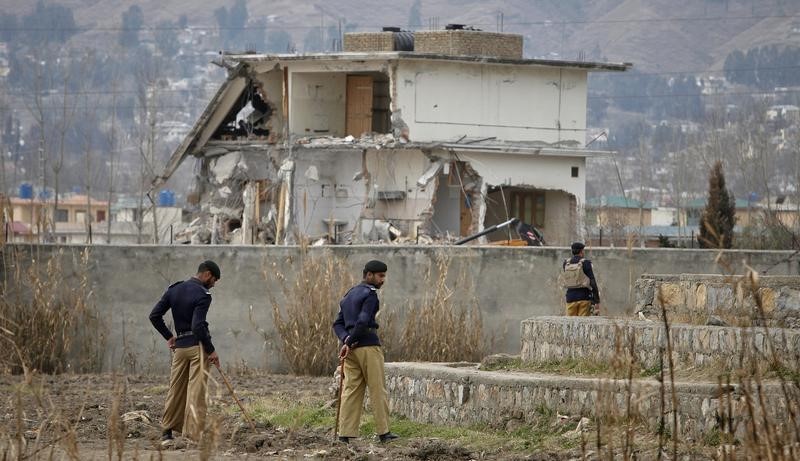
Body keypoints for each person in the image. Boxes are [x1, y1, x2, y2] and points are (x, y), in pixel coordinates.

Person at [149, 260, 221, 444]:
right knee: (197, 391)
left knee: (176, 389)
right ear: (206, 274)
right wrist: (211, 350)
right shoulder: (204, 295)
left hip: (180, 347)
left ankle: (167, 432)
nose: (213, 284)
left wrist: (169, 336)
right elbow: (198, 325)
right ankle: (192, 436)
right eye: (214, 280)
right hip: (197, 347)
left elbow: (154, 315)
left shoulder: (174, 289)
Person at [332, 260, 399, 444]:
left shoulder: (348, 295)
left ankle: (345, 433)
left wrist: (347, 340)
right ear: (369, 275)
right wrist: (352, 340)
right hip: (368, 346)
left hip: (351, 351)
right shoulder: (371, 295)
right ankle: (384, 433)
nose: (383, 279)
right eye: (380, 276)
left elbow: (337, 324)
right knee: (377, 388)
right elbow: (362, 321)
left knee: (351, 390)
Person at [561, 242, 601, 316]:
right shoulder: (586, 263)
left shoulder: (566, 263)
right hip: (584, 297)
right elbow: (593, 282)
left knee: (570, 324)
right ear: (581, 251)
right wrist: (596, 301)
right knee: (583, 323)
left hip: (570, 298)